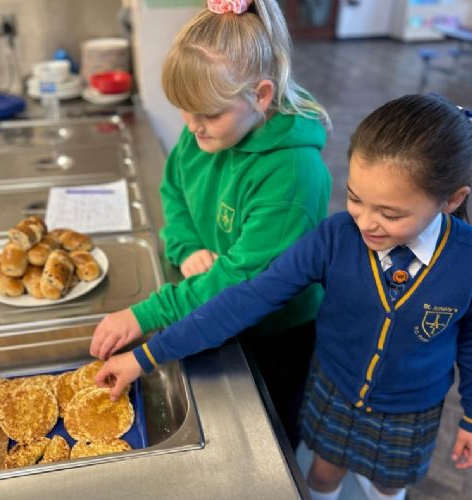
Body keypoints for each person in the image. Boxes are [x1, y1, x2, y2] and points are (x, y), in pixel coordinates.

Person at [94, 94, 472, 500]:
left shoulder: (465, 261)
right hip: (335, 391)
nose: (366, 223)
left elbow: (469, 342)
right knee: (323, 473)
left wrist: (469, 415)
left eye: (391, 214)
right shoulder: (334, 238)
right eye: (354, 199)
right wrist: (146, 355)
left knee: (389, 484)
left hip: (411, 410)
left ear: (452, 199)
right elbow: (248, 298)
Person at [90, 0, 332, 448]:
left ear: (261, 95)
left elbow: (243, 283)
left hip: (277, 333)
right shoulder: (205, 131)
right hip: (210, 302)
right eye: (185, 111)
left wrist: (148, 315)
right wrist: (184, 247)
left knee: (273, 432)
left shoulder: (293, 174)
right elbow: (175, 190)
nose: (193, 128)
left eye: (209, 115)